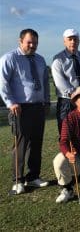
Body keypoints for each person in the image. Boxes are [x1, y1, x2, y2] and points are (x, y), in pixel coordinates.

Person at [0, 28, 50, 194]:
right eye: (29, 42)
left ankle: (33, 176)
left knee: (36, 144)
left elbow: (45, 82)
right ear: (20, 41)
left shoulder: (41, 60)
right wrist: (10, 102)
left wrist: (47, 100)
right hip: (20, 108)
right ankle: (18, 180)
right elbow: (3, 83)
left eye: (35, 42)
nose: (32, 45)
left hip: (38, 107)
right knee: (20, 145)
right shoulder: (9, 58)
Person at [51, 28, 80, 135]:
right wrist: (76, 94)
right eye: (70, 39)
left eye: (75, 39)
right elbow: (60, 82)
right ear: (64, 41)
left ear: (79, 41)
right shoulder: (58, 59)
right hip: (67, 102)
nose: (73, 42)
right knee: (67, 134)